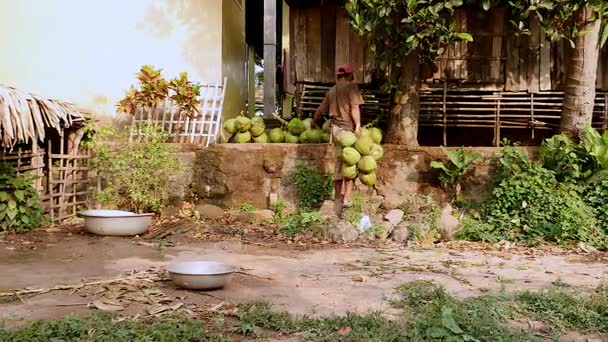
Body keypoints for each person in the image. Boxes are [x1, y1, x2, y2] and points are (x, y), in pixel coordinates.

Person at [313, 65, 364, 216]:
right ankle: (347, 198)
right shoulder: (351, 87)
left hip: (335, 130)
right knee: (350, 163)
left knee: (338, 162)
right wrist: (358, 126)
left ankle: (337, 197)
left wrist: (314, 121)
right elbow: (354, 108)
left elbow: (321, 109)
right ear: (349, 75)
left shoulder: (332, 90)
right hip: (348, 131)